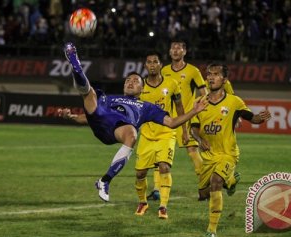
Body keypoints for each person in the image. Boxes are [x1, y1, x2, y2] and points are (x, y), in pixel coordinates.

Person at [58, 42, 208, 202]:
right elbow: (89, 117)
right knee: (91, 94)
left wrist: (193, 111)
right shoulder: (111, 98)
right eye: (128, 80)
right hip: (101, 122)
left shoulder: (146, 106)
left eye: (136, 81)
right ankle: (76, 65)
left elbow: (171, 122)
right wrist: (71, 116)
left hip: (118, 131)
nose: (130, 82)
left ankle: (105, 181)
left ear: (142, 89)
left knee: (132, 134)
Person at [190, 62, 271, 237]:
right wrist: (199, 139)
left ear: (224, 79)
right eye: (209, 74)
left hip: (228, 154)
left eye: (215, 74)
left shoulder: (234, 102)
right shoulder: (199, 103)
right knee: (203, 194)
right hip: (208, 156)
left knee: (216, 182)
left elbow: (252, 118)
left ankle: (211, 230)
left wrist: (260, 118)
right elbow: (193, 128)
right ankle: (232, 180)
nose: (210, 77)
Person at [146, 40, 208, 201]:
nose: (175, 51)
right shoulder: (164, 70)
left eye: (178, 48)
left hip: (185, 118)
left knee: (193, 152)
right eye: (172, 48)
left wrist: (199, 111)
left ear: (184, 52)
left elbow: (204, 93)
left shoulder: (193, 71)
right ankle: (157, 189)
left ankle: (205, 185)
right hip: (166, 120)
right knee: (158, 156)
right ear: (169, 52)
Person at [134, 51, 186, 219]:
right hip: (147, 136)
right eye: (149, 62)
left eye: (155, 62)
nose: (152, 65)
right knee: (140, 174)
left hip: (166, 133)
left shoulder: (172, 84)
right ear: (145, 66)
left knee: (164, 167)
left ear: (160, 65)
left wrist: (184, 130)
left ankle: (163, 206)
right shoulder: (139, 87)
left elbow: (179, 108)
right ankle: (142, 202)